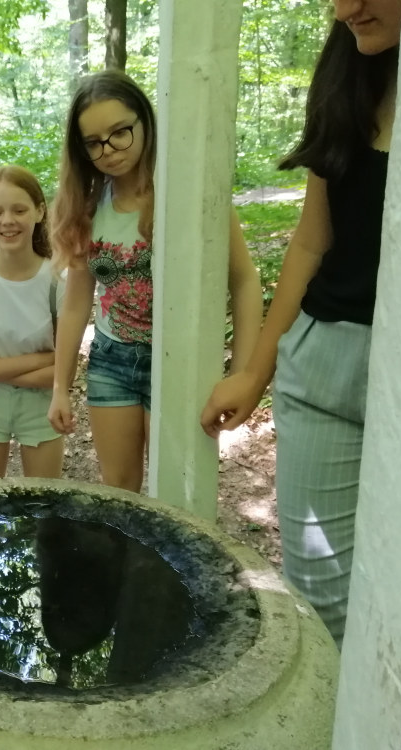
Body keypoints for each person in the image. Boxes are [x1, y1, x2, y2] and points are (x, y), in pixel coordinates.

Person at [200, 0, 401, 648]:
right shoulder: (347, 81)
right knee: (322, 610)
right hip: (321, 379)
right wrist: (254, 371)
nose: (345, 9)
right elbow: (312, 242)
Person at [47, 71, 262, 493]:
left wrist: (242, 374)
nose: (109, 150)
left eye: (120, 132)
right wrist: (59, 387)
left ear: (145, 121)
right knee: (119, 490)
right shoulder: (86, 208)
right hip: (112, 361)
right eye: (94, 142)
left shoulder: (190, 196)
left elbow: (243, 281)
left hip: (179, 360)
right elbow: (75, 305)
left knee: (177, 489)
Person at [0, 166, 66, 479]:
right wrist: (44, 359)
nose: (7, 221)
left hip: (41, 407)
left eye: (19, 210)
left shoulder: (57, 280)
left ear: (39, 212)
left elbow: (63, 373)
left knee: (43, 501)